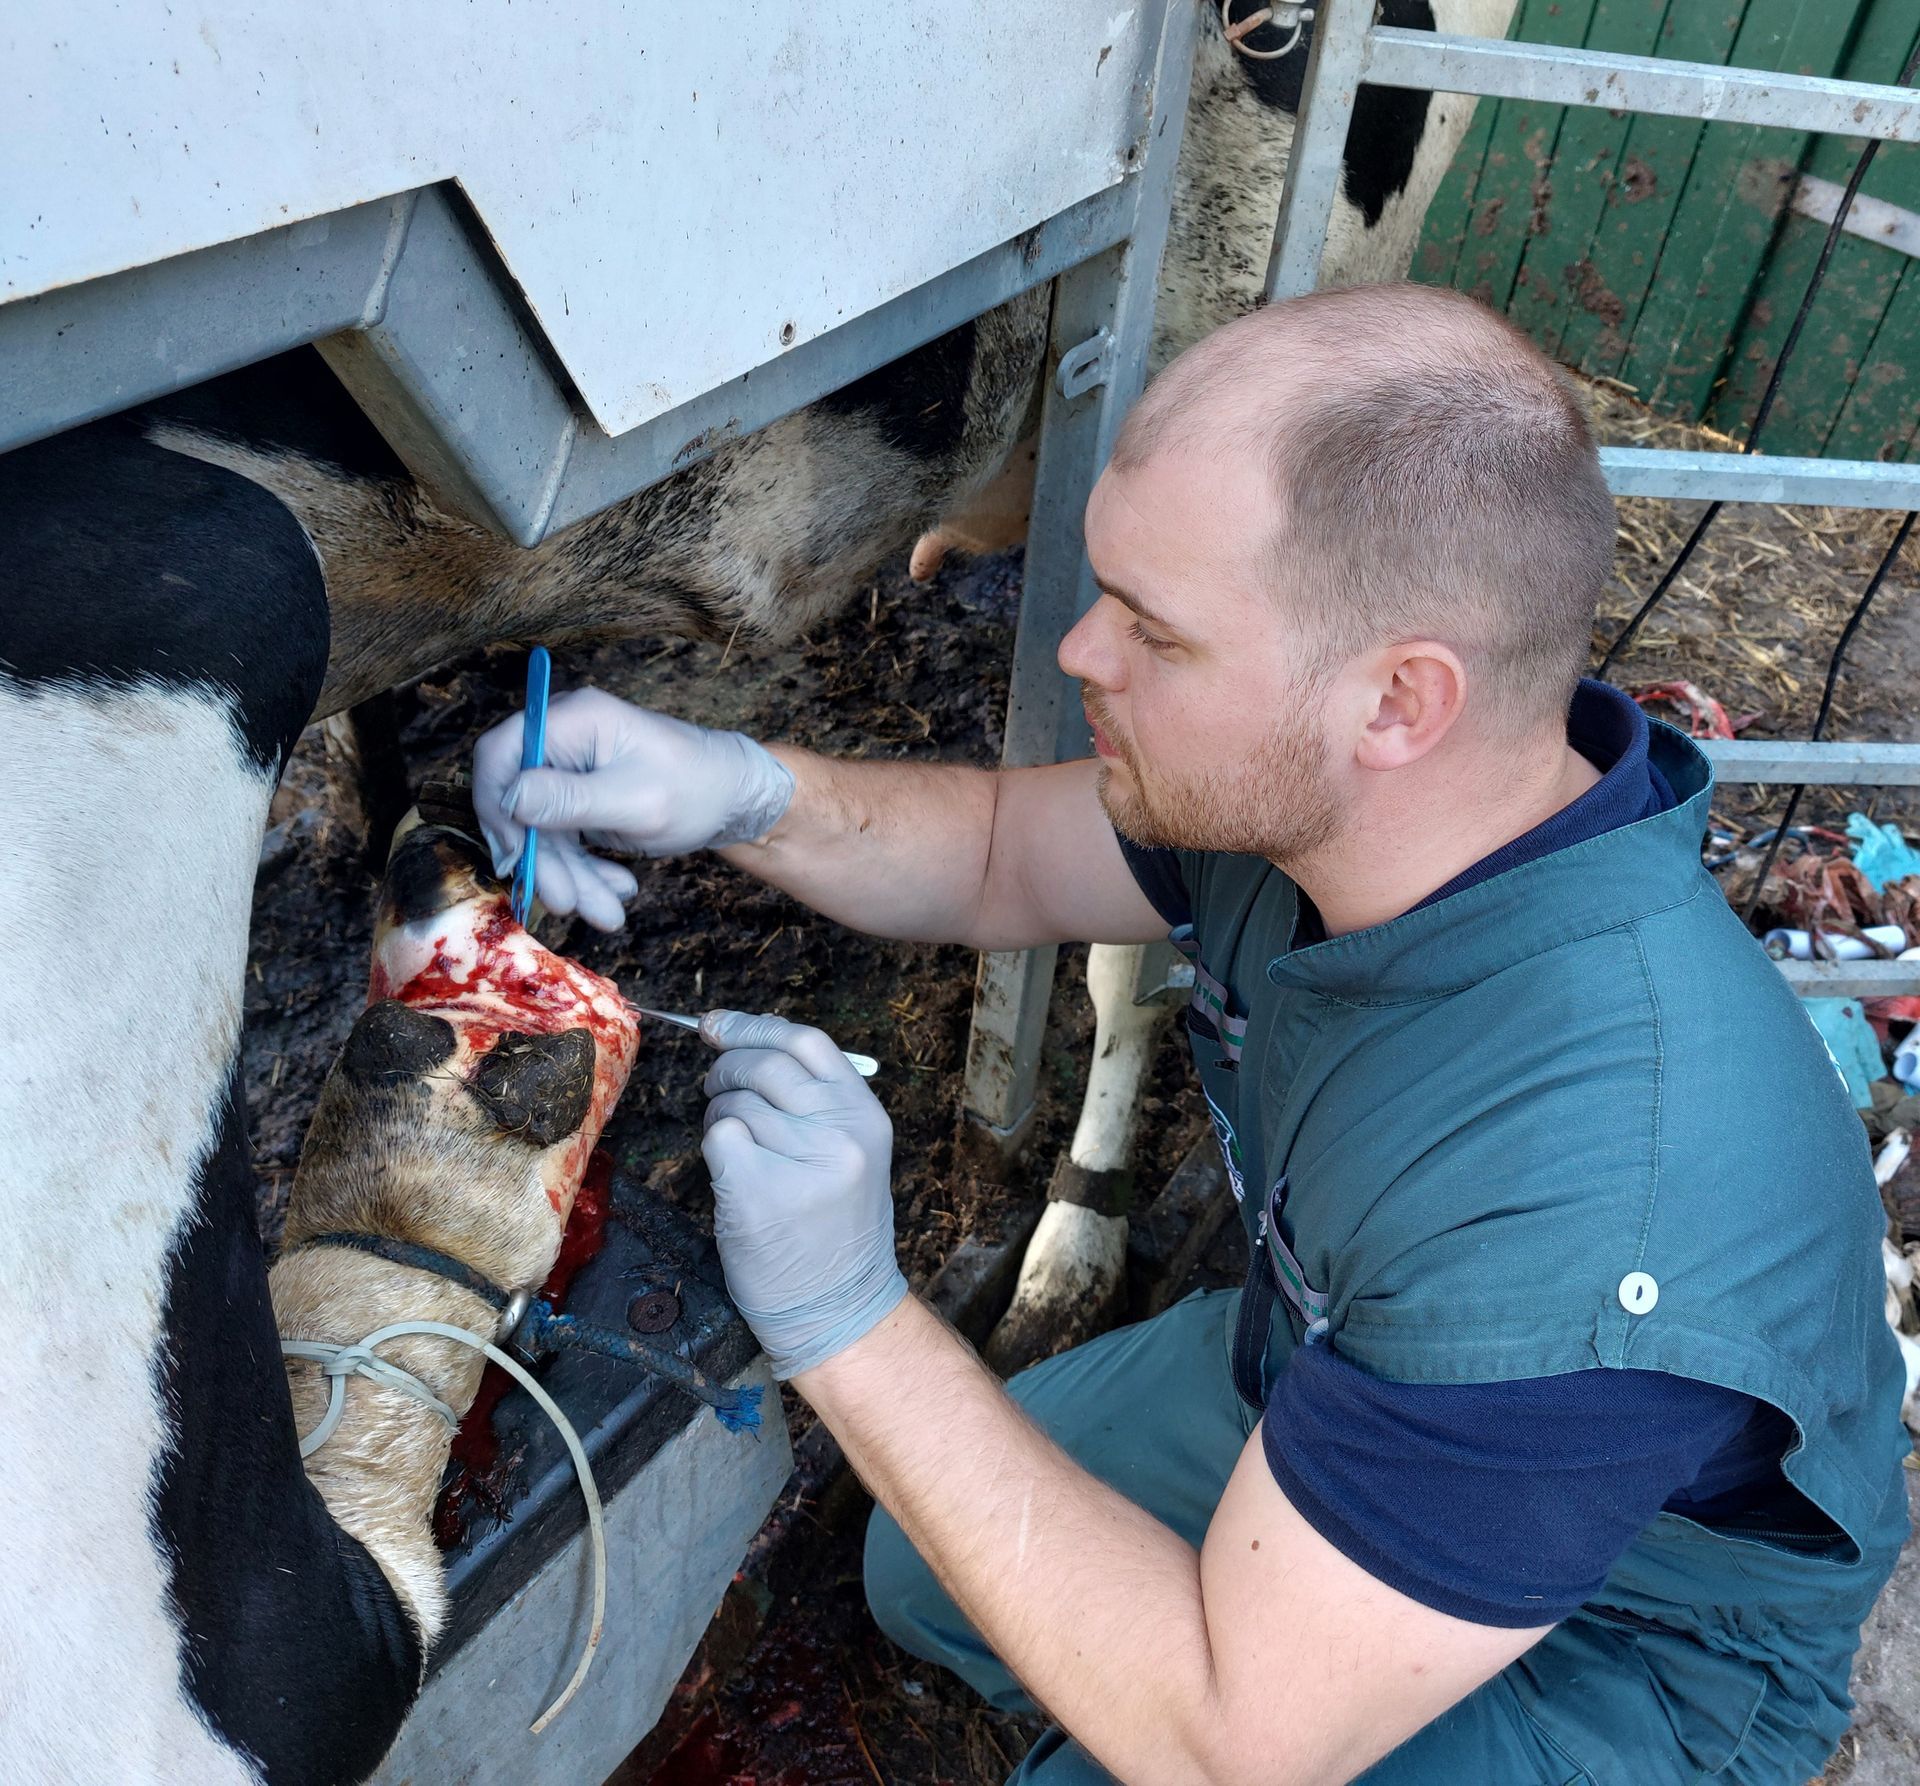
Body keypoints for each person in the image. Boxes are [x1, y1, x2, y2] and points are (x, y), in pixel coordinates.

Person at [472, 282, 1909, 1784]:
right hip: (1343, 1369)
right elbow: (997, 862)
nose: (1083, 652)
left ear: (1398, 700)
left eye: (1153, 629)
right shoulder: (1340, 798)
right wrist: (732, 790)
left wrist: (847, 1317)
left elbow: (1230, 1738)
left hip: (1642, 1635)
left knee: (1139, 1725)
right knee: (923, 1567)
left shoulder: (1592, 1200)